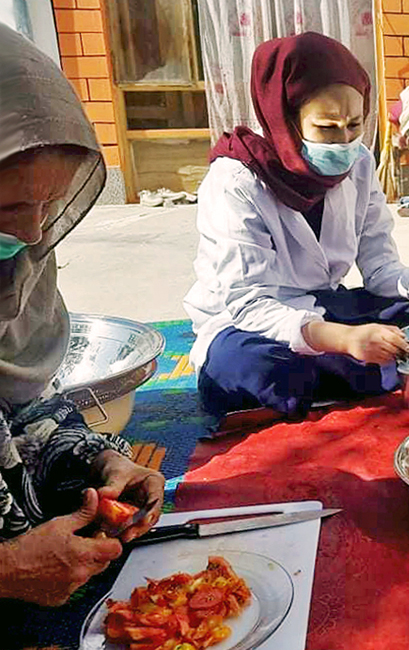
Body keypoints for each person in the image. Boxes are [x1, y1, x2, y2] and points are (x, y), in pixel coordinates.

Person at [184, 33, 409, 421]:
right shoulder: (235, 180)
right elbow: (249, 303)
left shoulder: (358, 163)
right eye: (327, 127)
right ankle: (356, 367)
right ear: (285, 119)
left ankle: (346, 368)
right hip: (250, 323)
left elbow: (380, 268)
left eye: (354, 125)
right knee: (250, 369)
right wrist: (344, 339)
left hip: (323, 305)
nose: (343, 141)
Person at [0, 25, 164, 606]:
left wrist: (100, 458)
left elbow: (18, 414)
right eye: (8, 208)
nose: (33, 233)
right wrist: (8, 570)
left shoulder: (16, 261)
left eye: (49, 205)